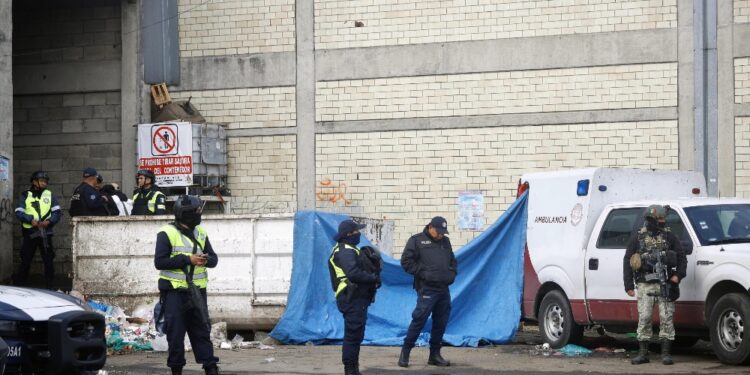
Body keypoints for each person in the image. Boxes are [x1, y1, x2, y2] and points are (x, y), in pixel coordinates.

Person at [154, 195, 219, 375]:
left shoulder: (201, 232)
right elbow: (160, 262)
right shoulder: (166, 233)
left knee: (202, 332)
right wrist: (188, 259)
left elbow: (214, 260)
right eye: (197, 212)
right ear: (188, 215)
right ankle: (176, 369)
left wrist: (205, 260)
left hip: (197, 292)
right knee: (175, 335)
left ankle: (210, 367)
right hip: (175, 293)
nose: (200, 215)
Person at [623, 205, 687, 366]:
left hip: (664, 284)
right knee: (644, 318)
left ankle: (665, 354)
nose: (662, 222)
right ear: (650, 220)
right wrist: (628, 285)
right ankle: (643, 353)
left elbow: (681, 258)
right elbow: (627, 260)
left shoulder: (669, 237)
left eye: (663, 220)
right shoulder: (637, 238)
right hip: (645, 285)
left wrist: (677, 276)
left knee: (666, 318)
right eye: (659, 220)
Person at [398, 216, 457, 368]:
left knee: (441, 322)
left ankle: (435, 355)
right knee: (419, 319)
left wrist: (452, 273)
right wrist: (423, 273)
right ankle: (405, 353)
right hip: (427, 288)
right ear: (430, 227)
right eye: (438, 232)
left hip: (443, 289)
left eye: (443, 232)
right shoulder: (416, 240)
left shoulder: (445, 241)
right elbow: (406, 262)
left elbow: (452, 260)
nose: (441, 235)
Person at [327, 219, 381, 375]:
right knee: (353, 335)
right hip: (351, 297)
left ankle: (353, 368)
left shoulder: (350, 249)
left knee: (356, 334)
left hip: (356, 297)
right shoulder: (345, 251)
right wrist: (373, 278)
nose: (359, 234)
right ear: (349, 234)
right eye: (357, 231)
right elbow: (353, 274)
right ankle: (350, 370)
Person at [12, 171, 62, 289]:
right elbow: (19, 211)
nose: (45, 183)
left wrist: (49, 221)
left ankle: (50, 286)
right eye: (42, 181)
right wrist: (30, 220)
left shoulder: (50, 195)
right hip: (31, 233)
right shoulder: (25, 195)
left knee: (48, 260)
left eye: (46, 181)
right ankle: (20, 285)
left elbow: (57, 212)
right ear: (34, 182)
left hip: (46, 233)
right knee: (26, 259)